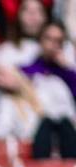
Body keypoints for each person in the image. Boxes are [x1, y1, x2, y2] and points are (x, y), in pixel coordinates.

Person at [21, 22, 76, 158]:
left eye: (58, 41)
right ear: (40, 41)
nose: (53, 45)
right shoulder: (27, 71)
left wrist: (67, 70)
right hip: (35, 129)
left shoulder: (69, 74)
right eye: (48, 38)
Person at [0, 67, 43, 142]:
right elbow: (3, 129)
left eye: (1, 75)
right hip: (28, 147)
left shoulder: (40, 89)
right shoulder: (7, 102)